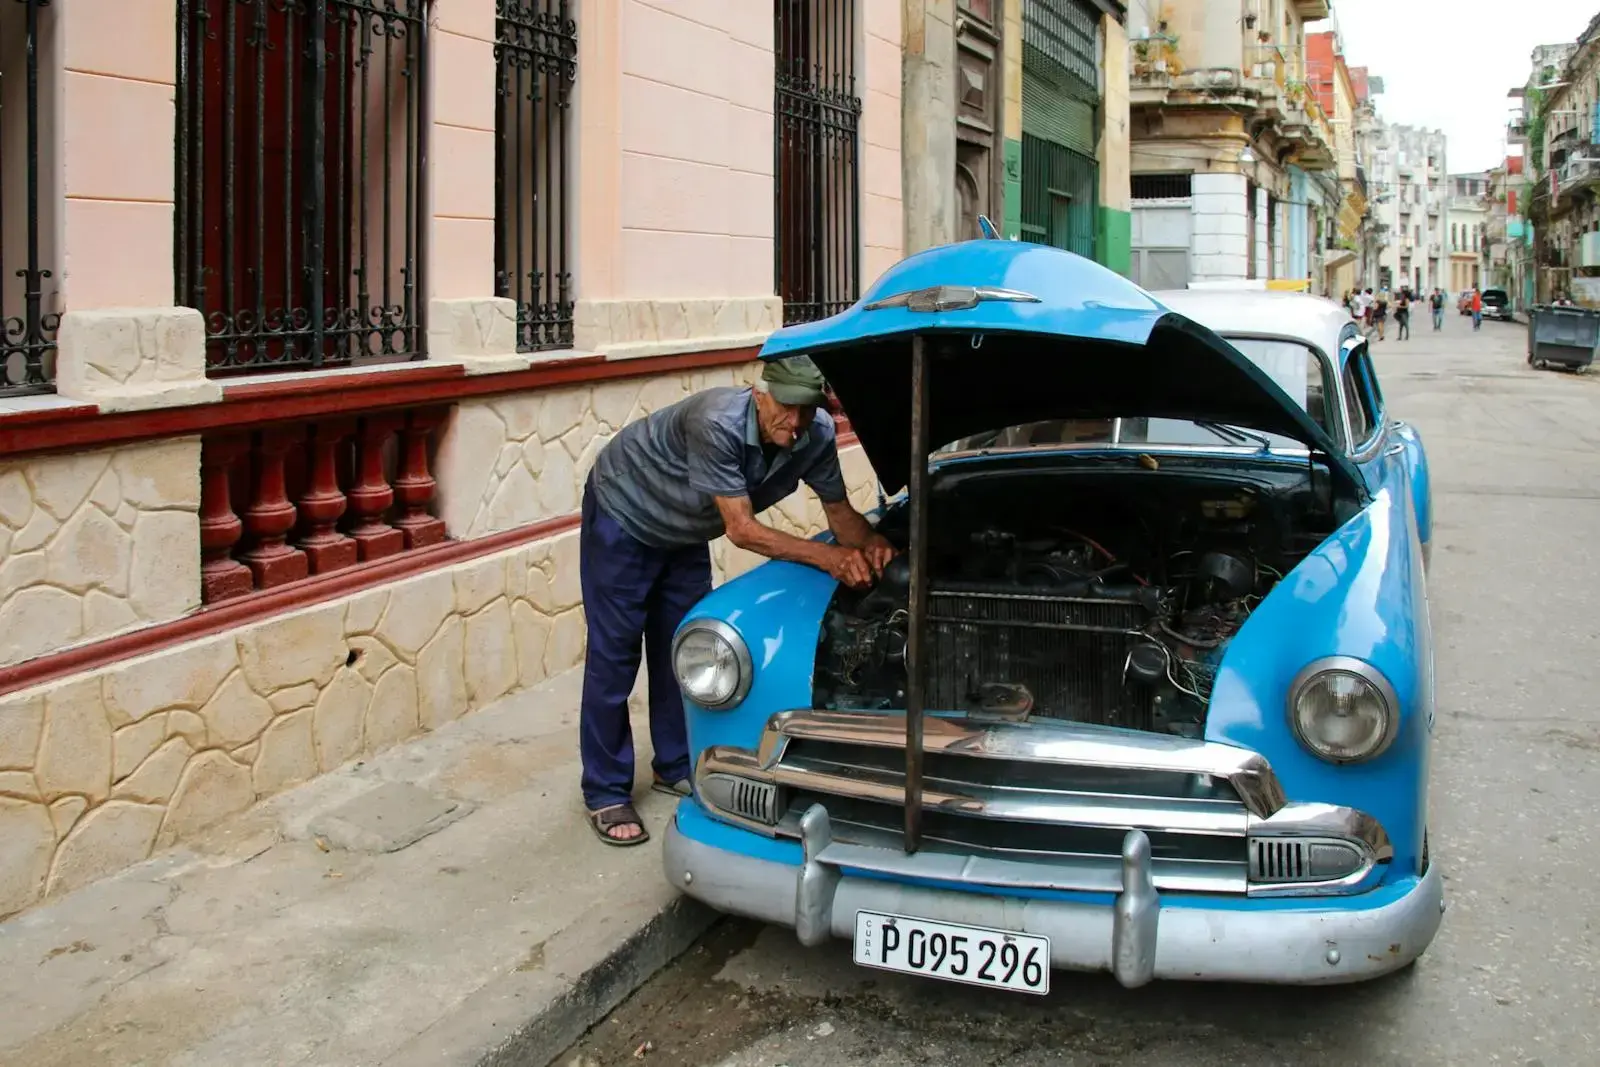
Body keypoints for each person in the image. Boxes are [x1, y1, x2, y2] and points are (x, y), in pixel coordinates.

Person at [576, 355, 898, 845]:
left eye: (807, 412)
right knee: (614, 657)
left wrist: (877, 547)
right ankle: (606, 790)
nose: (795, 423)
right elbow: (742, 530)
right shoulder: (717, 423)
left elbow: (840, 516)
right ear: (761, 394)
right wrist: (830, 560)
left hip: (684, 531)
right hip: (626, 515)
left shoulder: (815, 436)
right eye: (787, 408)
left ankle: (675, 764)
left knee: (684, 650)